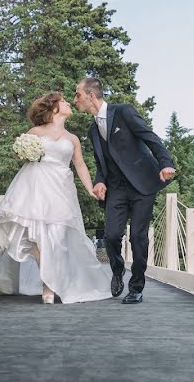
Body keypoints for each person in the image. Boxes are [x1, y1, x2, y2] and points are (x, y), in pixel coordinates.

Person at [0, 92, 111, 304]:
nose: (69, 103)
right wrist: (23, 152)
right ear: (53, 107)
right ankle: (48, 284)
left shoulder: (73, 139)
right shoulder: (35, 131)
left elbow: (79, 165)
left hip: (61, 188)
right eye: (64, 101)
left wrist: (89, 189)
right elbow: (20, 155)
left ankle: (54, 281)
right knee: (34, 237)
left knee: (58, 237)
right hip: (35, 185)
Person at [73, 77, 176, 304]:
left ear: (91, 95)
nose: (75, 100)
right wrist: (100, 181)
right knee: (110, 236)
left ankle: (137, 286)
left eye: (77, 95)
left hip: (142, 185)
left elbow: (150, 138)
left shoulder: (124, 112)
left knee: (138, 237)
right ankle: (117, 270)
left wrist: (166, 163)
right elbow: (101, 164)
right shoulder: (92, 129)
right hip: (116, 189)